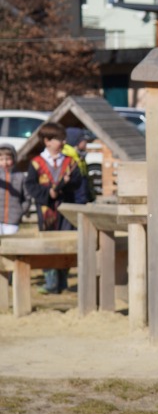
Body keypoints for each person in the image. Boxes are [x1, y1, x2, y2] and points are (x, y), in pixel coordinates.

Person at [24, 121, 86, 294]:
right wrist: (47, 193)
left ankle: (63, 280)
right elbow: (30, 185)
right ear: (47, 141)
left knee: (65, 243)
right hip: (47, 211)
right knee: (48, 244)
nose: (63, 142)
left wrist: (67, 183)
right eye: (59, 139)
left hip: (65, 209)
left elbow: (78, 183)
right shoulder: (36, 163)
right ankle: (51, 282)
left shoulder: (70, 161)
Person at [0, 144, 29, 235]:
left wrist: (21, 211)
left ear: (14, 159)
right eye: (1, 159)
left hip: (13, 220)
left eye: (8, 159)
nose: (5, 162)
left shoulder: (20, 177)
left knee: (10, 242)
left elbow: (27, 198)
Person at [63, 126, 96, 202]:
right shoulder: (68, 155)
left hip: (81, 195)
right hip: (74, 197)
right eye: (83, 140)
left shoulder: (79, 154)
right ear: (76, 141)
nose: (86, 143)